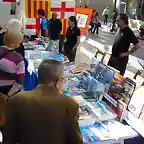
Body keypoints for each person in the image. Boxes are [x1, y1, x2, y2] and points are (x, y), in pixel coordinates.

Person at [3, 59, 82, 144]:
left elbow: (8, 137)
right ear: (59, 82)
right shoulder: (69, 104)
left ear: (38, 77)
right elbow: (75, 140)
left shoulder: (16, 100)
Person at [0, 30, 25, 96]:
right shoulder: (18, 58)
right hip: (8, 91)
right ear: (14, 42)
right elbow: (20, 82)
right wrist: (9, 95)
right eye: (20, 41)